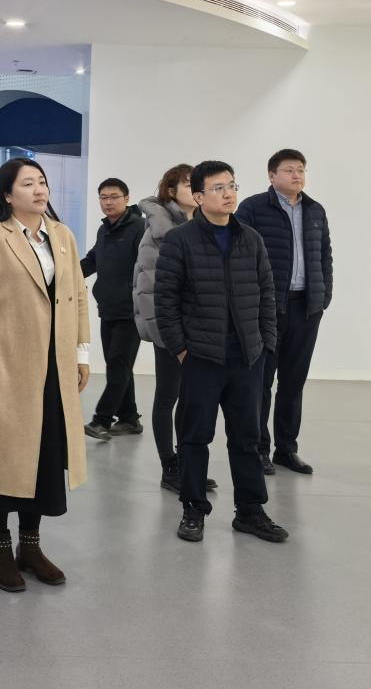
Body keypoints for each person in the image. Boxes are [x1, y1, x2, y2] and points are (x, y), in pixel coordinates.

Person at [0, 157, 91, 592]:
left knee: (44, 457)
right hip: (7, 363)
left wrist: (81, 353)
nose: (39, 189)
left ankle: (29, 546)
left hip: (55, 365)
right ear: (8, 194)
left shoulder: (62, 236)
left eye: (42, 182)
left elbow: (78, 296)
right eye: (28, 183)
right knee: (5, 456)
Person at [154, 161, 287, 545]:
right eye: (218, 188)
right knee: (194, 437)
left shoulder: (250, 238)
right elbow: (165, 302)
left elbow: (267, 294)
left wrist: (266, 343)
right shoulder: (180, 240)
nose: (228, 194)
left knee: (247, 438)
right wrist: (181, 350)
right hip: (201, 358)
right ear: (198, 197)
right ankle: (193, 509)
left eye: (232, 185)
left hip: (247, 357)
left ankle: (250, 511)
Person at [236, 149, 332, 476]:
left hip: (306, 308)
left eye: (301, 170)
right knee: (261, 382)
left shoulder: (315, 210)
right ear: (271, 175)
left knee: (293, 382)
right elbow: (240, 257)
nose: (296, 175)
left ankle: (286, 449)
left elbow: (325, 257)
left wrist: (323, 297)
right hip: (267, 308)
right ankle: (259, 449)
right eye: (289, 170)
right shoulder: (252, 208)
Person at [132, 163, 214, 495]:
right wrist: (165, 331)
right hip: (170, 327)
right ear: (170, 190)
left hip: (199, 327)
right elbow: (149, 285)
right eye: (188, 183)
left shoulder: (203, 223)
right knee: (168, 395)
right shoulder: (159, 228)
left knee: (192, 398)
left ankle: (187, 465)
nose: (195, 189)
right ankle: (170, 467)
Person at [80, 177, 145, 441]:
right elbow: (92, 260)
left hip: (132, 310)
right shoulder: (104, 229)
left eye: (114, 197)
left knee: (118, 365)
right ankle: (129, 418)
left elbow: (148, 268)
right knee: (118, 365)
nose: (108, 202)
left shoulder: (140, 228)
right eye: (104, 197)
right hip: (108, 307)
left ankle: (102, 420)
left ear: (126, 199)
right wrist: (64, 275)